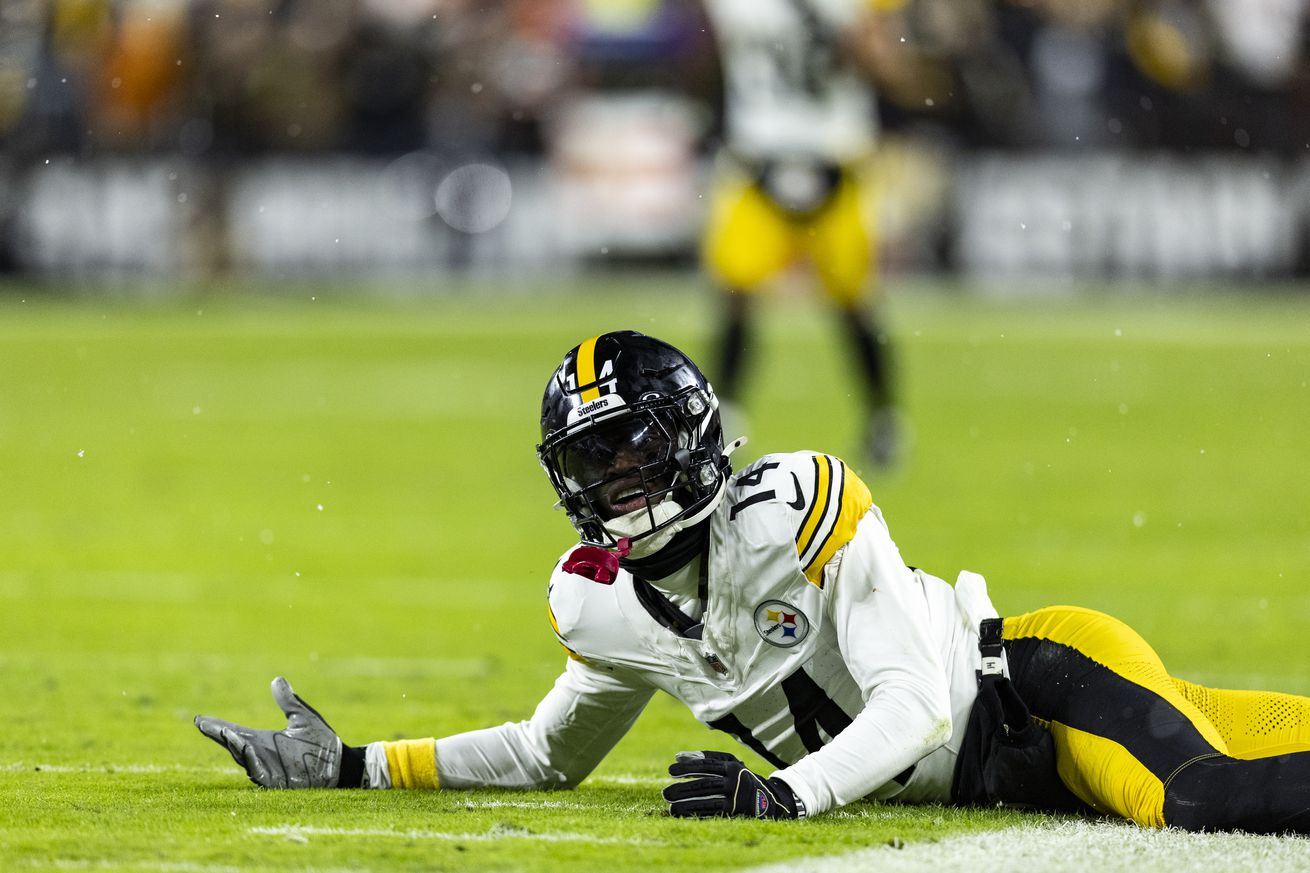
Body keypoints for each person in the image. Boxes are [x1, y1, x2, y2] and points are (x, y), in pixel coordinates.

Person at [196, 331, 1310, 833]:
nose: (614, 482)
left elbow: (915, 710)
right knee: (1254, 736)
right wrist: (353, 767)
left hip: (1033, 688)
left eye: (631, 450)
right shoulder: (597, 599)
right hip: (1005, 765)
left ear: (687, 440)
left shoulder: (795, 505)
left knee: (1199, 798)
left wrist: (782, 796)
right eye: (590, 463)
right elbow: (544, 755)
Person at [698, 0, 900, 467]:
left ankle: (883, 419)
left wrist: (857, 41)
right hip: (759, 157)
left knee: (855, 300)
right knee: (736, 293)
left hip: (835, 156)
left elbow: (889, 66)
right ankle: (725, 416)